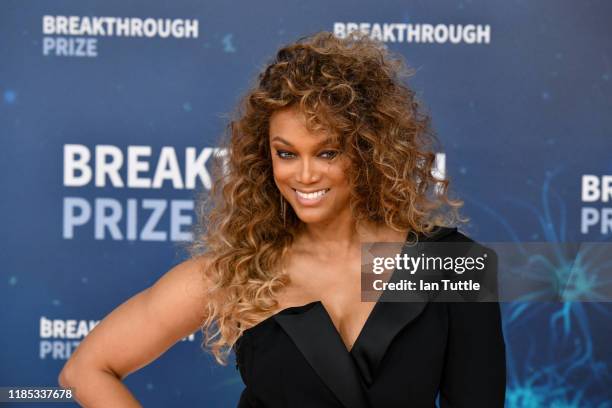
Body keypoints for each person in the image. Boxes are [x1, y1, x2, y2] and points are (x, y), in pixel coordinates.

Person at [59, 31, 506, 407]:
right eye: (286, 154)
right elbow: (86, 370)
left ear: (367, 151)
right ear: (265, 156)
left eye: (327, 152)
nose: (305, 174)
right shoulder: (244, 272)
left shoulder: (447, 264)